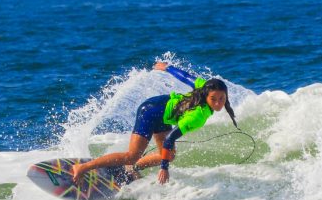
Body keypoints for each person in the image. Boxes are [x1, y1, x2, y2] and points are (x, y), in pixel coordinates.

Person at [71, 62, 238, 184]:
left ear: (226, 96)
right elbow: (169, 140)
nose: (218, 103)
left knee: (169, 154)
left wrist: (168, 67)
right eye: (213, 99)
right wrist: (164, 167)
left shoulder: (205, 87)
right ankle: (84, 167)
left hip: (164, 113)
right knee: (132, 155)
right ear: (206, 95)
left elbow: (186, 77)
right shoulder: (198, 116)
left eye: (221, 99)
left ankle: (130, 169)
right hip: (150, 111)